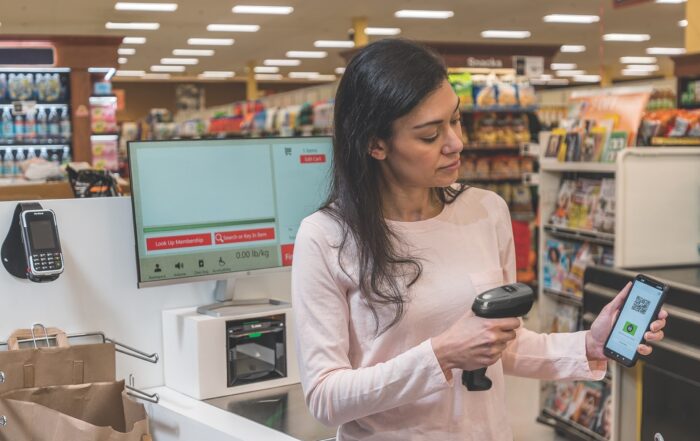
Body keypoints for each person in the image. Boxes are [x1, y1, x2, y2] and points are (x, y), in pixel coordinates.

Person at [291, 39, 668, 440]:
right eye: (430, 135)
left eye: (455, 120)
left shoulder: (486, 210)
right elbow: (325, 396)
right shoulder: (325, 237)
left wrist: (588, 345)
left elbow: (504, 344)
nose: (456, 143)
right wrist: (442, 354)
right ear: (375, 144)